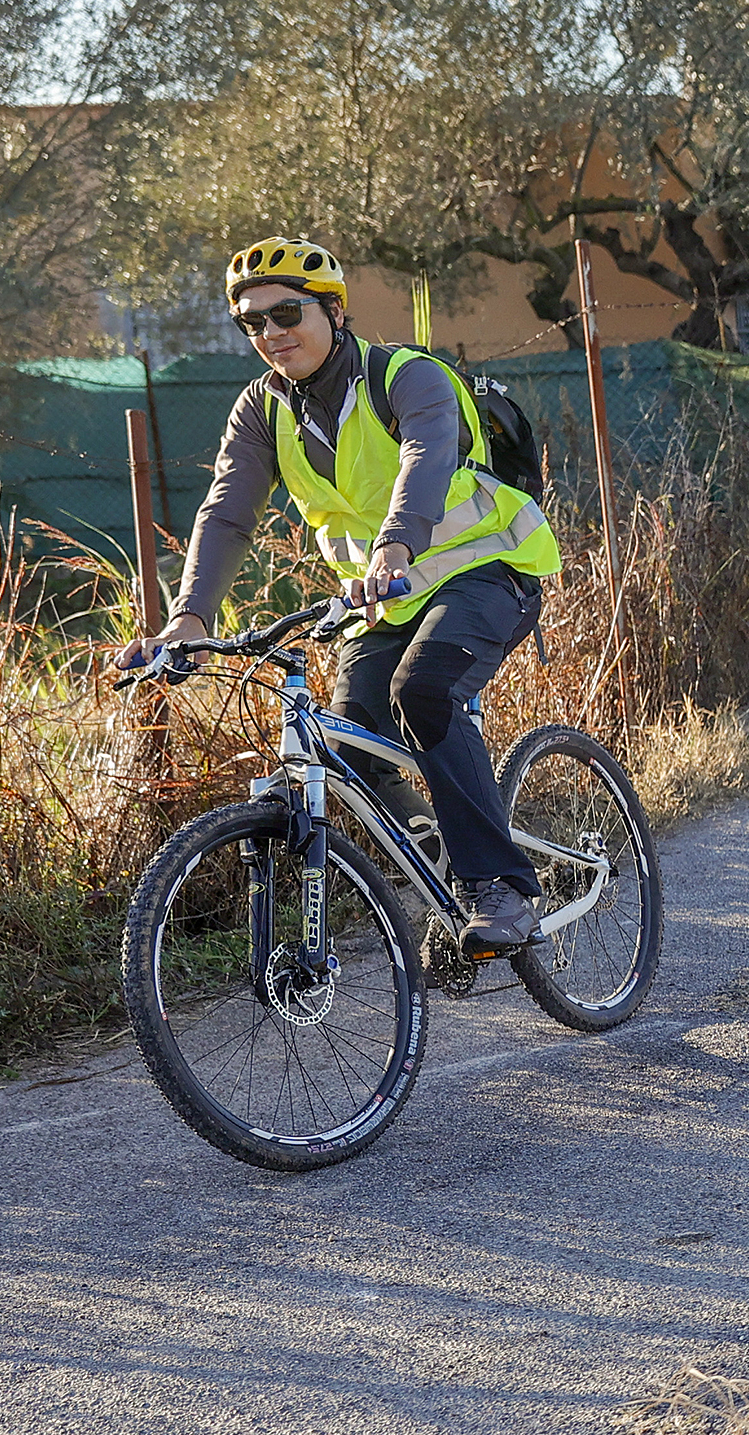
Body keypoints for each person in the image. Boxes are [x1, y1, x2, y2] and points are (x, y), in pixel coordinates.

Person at [122, 236, 560, 952]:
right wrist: (189, 620)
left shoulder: (407, 377)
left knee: (424, 691)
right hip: (383, 599)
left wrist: (395, 542)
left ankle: (503, 888)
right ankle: (441, 856)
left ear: (333, 309)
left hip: (486, 569)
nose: (270, 333)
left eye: (286, 312)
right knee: (347, 739)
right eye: (252, 322)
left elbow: (426, 455)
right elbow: (228, 511)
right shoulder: (262, 409)